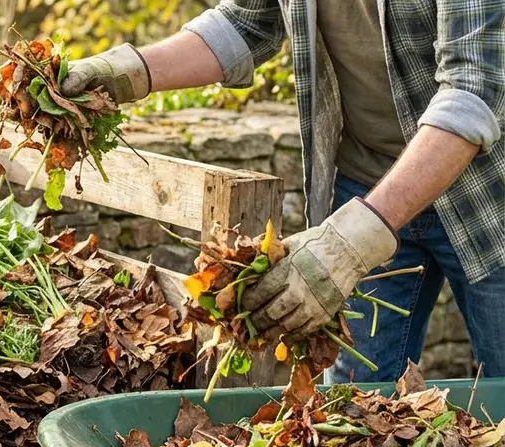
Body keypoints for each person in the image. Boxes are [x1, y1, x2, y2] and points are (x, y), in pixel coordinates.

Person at [60, 0, 505, 390]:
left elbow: (471, 89)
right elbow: (249, 22)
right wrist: (127, 72)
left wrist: (352, 242)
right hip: (366, 183)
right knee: (357, 406)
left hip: (488, 195)